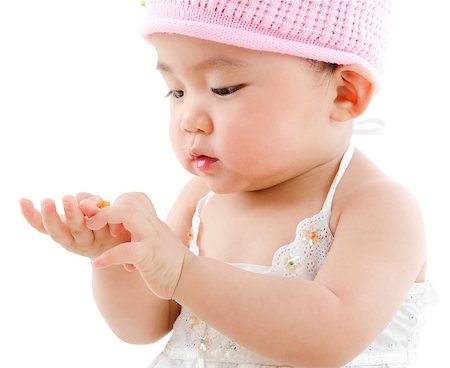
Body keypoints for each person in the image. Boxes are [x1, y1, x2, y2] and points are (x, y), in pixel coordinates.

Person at [19, 1, 435, 367]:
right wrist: (121, 257)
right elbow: (142, 326)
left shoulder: (376, 207)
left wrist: (183, 271)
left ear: (345, 94)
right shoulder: (201, 200)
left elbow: (332, 337)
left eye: (223, 88)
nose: (190, 120)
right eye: (176, 92)